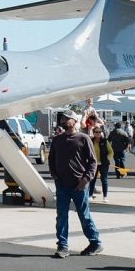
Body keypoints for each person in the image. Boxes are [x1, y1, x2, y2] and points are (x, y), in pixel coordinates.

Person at [47, 110, 102, 258]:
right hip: (62, 185)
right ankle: (62, 246)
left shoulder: (83, 138)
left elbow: (92, 162)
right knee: (61, 216)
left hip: (79, 185)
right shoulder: (57, 140)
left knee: (84, 215)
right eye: (63, 119)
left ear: (74, 121)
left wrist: (85, 180)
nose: (64, 121)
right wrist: (55, 175)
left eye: (67, 119)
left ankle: (95, 242)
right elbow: (51, 160)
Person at [89, 126, 113, 201]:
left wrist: (107, 159)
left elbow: (111, 152)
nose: (98, 133)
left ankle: (105, 196)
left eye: (100, 132)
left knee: (104, 180)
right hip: (94, 164)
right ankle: (90, 195)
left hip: (104, 164)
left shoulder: (105, 141)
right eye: (97, 132)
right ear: (93, 133)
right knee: (92, 179)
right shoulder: (90, 141)